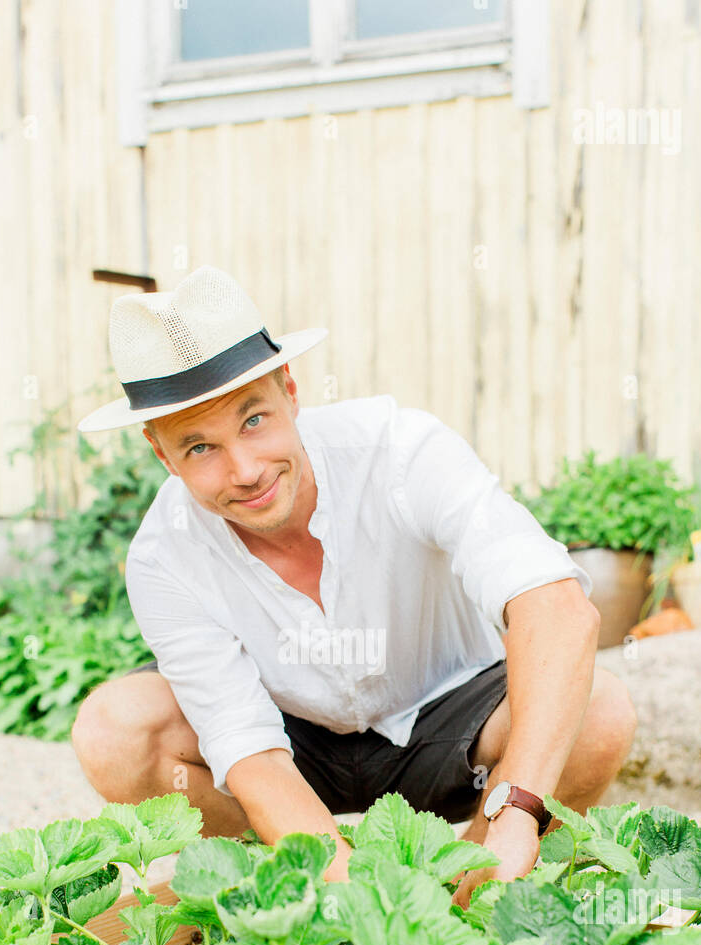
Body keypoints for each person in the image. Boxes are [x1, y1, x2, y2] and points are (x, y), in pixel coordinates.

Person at [74, 265, 636, 905]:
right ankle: (284, 891)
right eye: (199, 448)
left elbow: (558, 609)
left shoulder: (399, 450)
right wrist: (362, 909)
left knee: (599, 711)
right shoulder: (163, 556)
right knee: (115, 731)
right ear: (161, 453)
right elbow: (249, 752)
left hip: (452, 726)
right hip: (294, 746)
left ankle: (480, 889)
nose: (246, 470)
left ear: (289, 389)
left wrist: (517, 811)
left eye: (253, 419)